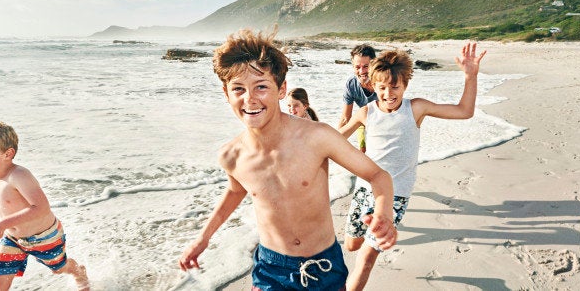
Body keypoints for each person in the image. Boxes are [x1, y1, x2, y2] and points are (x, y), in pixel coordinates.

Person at [177, 28, 397, 290]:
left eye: (261, 86)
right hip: (271, 270)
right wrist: (203, 238)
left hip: (324, 265)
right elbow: (236, 190)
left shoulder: (317, 137)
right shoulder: (231, 155)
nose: (250, 98)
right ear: (226, 94)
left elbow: (378, 175)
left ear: (281, 89)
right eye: (238, 89)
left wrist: (383, 214)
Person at [339, 42, 486, 290]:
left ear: (405, 84)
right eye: (382, 87)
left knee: (365, 258)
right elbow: (335, 138)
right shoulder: (366, 113)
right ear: (373, 86)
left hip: (395, 195)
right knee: (351, 245)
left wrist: (470, 76)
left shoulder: (415, 108)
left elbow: (464, 111)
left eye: (395, 86)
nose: (388, 94)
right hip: (364, 190)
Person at [0, 122, 89, 291]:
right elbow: (5, 205)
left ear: (8, 154)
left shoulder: (18, 175)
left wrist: (2, 224)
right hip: (13, 239)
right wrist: (4, 224)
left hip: (44, 237)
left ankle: (78, 271)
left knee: (59, 268)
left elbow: (41, 208)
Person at [338, 44, 377, 152]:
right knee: (363, 151)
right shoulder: (351, 84)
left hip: (386, 120)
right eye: (357, 67)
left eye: (366, 66)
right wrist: (333, 144)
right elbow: (346, 118)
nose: (361, 71)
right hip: (364, 119)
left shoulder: (383, 81)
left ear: (374, 65)